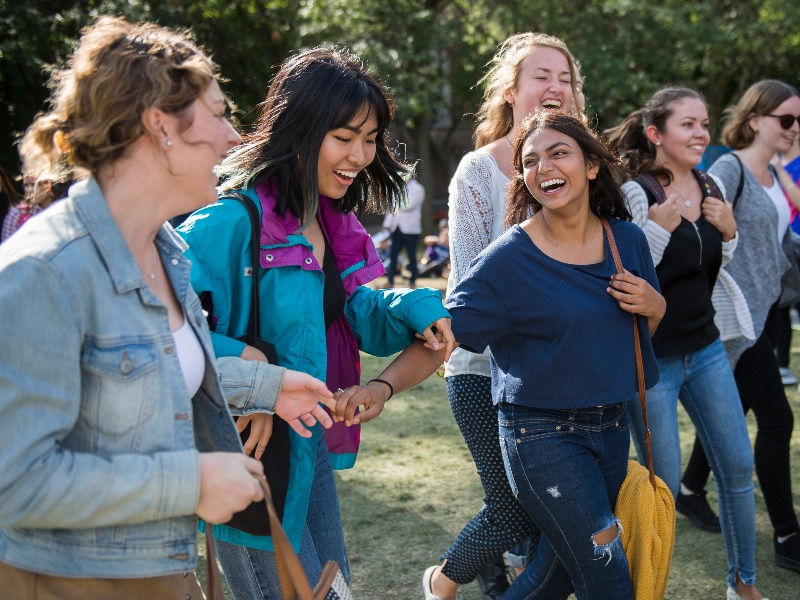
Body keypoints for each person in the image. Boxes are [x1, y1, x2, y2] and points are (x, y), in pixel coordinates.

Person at [0, 16, 337, 599]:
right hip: (67, 581)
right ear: (161, 126)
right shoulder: (45, 271)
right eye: (221, 112)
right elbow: (17, 480)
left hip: (160, 567)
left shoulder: (167, 250)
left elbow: (149, 374)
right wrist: (189, 482)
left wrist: (267, 385)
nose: (236, 138)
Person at [337, 110, 665, 600]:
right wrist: (381, 386)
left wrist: (656, 306)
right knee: (606, 572)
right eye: (530, 160)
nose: (543, 167)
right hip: (543, 436)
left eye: (559, 153)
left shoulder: (627, 241)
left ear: (592, 165)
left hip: (612, 428)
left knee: (552, 579)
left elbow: (637, 333)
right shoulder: (510, 259)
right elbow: (442, 336)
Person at [177, 46, 453, 599]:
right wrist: (253, 371)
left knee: (333, 590)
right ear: (300, 129)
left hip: (309, 448)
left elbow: (353, 319)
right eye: (343, 136)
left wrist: (417, 309)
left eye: (370, 138)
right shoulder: (227, 222)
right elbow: (168, 335)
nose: (359, 154)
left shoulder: (335, 222)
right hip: (247, 459)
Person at [427, 32, 587, 600]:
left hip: (557, 371)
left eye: (565, 78)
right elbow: (469, 286)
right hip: (480, 368)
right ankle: (442, 583)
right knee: (515, 511)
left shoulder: (582, 170)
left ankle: (501, 579)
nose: (556, 87)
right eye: (542, 76)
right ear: (512, 91)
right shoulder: (479, 171)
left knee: (554, 509)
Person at [606, 87, 767, 600]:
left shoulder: (713, 182)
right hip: (652, 361)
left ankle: (743, 584)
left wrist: (731, 230)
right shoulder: (636, 192)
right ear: (656, 134)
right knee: (662, 489)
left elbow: (712, 264)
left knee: (739, 467)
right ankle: (647, 591)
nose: (701, 134)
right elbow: (624, 277)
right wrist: (655, 231)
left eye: (704, 124)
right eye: (688, 125)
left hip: (707, 351)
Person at [679, 79, 800, 574]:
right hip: (735, 317)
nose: (795, 129)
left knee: (735, 410)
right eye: (787, 120)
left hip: (768, 308)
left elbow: (777, 240)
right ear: (755, 120)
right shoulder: (728, 168)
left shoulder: (771, 169)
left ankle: (688, 489)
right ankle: (789, 534)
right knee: (777, 420)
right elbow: (708, 237)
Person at [382, 176, 424, 287]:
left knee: (411, 255)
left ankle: (413, 280)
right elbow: (391, 208)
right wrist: (387, 224)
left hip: (410, 229)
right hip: (396, 228)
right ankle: (390, 280)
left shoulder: (417, 188)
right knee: (393, 255)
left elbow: (410, 205)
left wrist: (396, 201)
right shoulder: (397, 188)